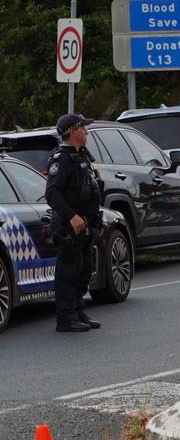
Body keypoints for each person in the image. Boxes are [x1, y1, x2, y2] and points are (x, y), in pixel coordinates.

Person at [46, 113, 104, 333]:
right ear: (72, 131)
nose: (87, 131)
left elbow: (90, 191)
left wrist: (96, 220)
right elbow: (52, 193)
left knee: (84, 269)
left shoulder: (82, 157)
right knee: (68, 272)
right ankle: (66, 317)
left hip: (86, 224)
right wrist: (72, 216)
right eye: (83, 128)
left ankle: (78, 311)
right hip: (69, 227)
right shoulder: (61, 159)